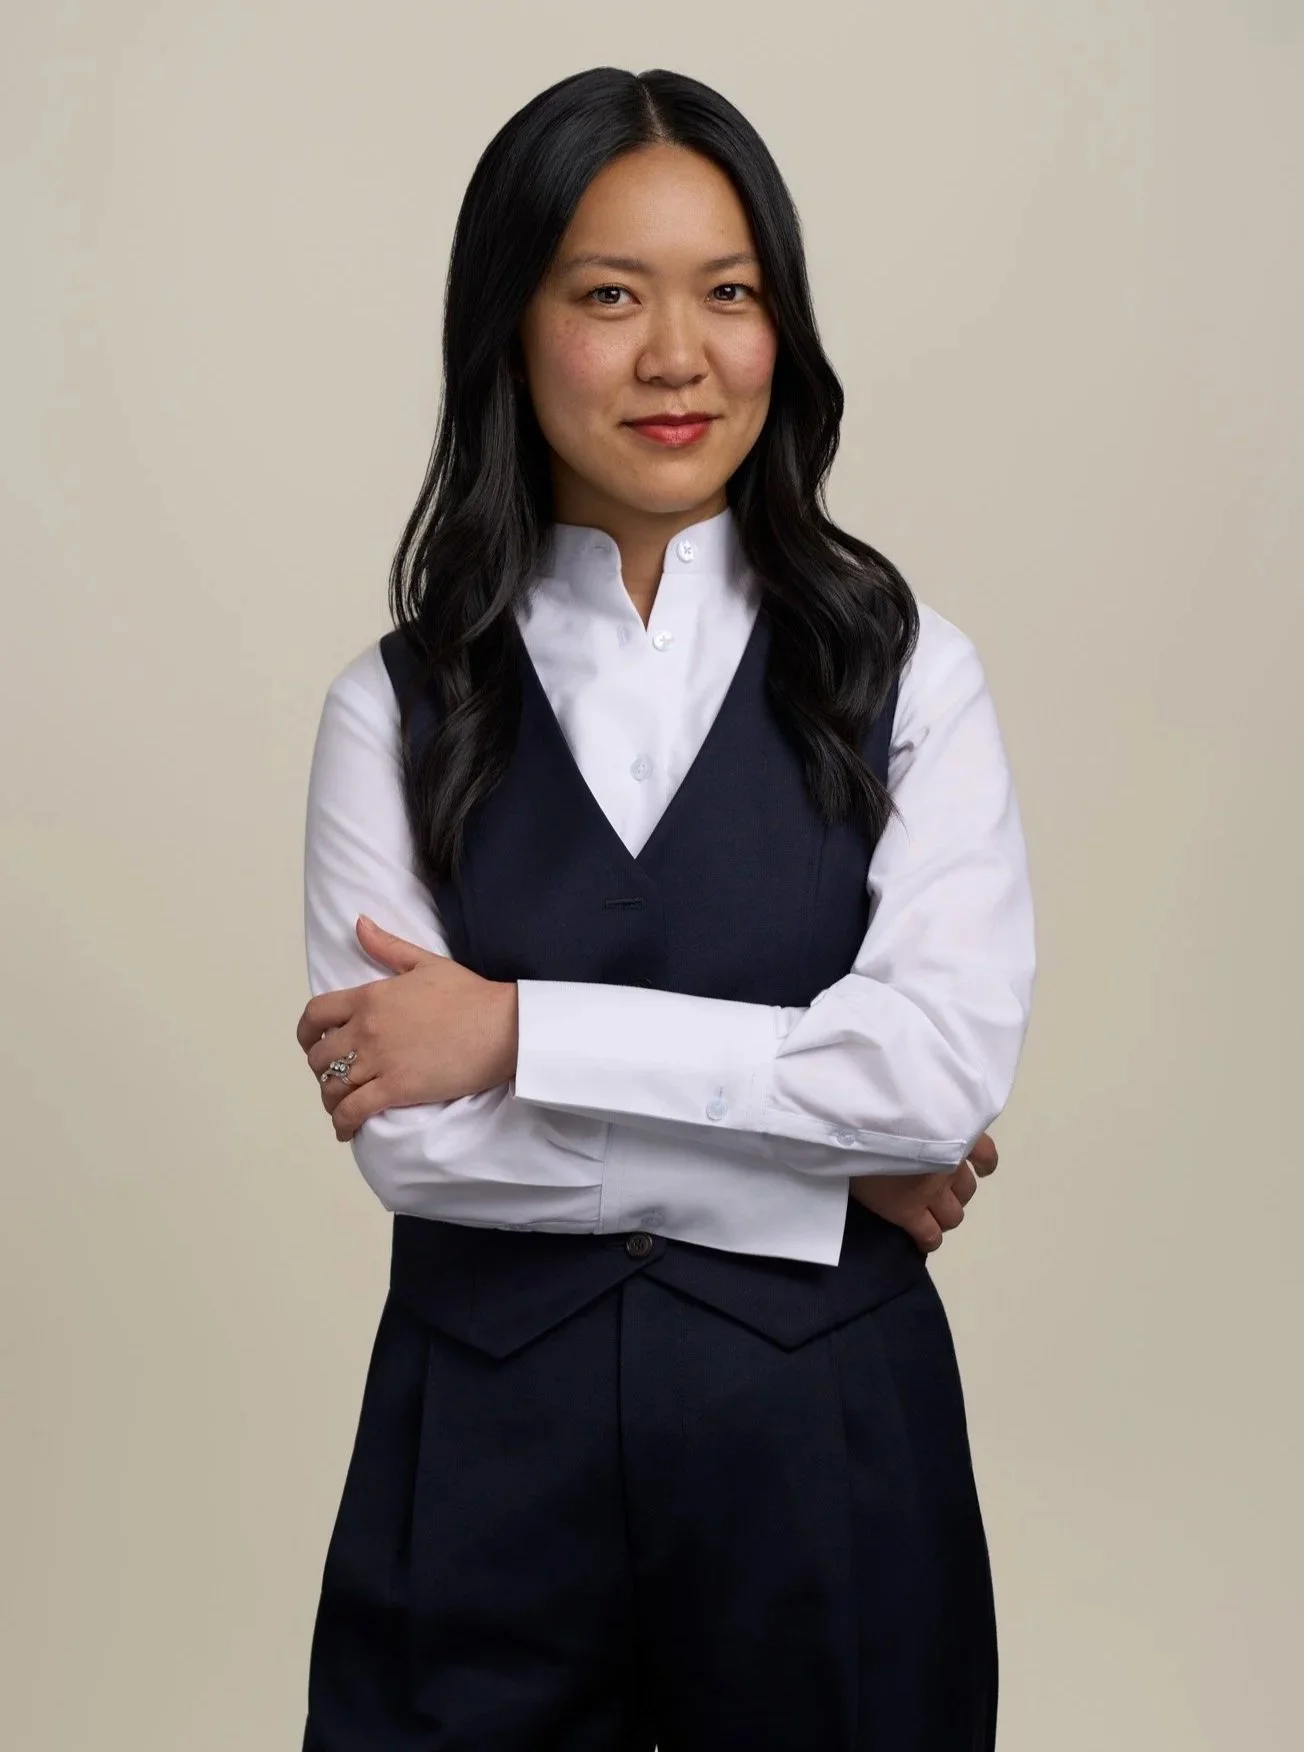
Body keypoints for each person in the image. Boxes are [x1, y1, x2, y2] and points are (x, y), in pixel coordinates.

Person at [294, 64, 1035, 1752]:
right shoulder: (388, 709)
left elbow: (934, 1081)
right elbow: (416, 1149)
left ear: (784, 327)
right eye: (609, 296)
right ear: (510, 326)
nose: (677, 357)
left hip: (827, 1457)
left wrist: (515, 1032)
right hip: (479, 1473)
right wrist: (821, 1169)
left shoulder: (911, 672)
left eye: (730, 294)